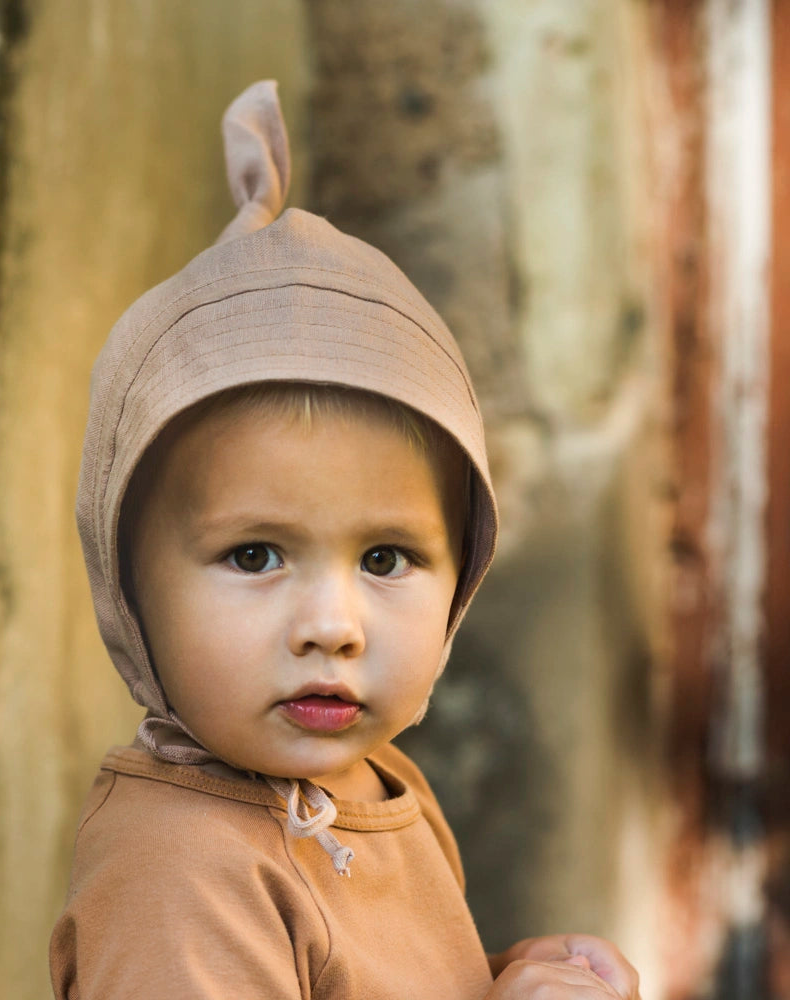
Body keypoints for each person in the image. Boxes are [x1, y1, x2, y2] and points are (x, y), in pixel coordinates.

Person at [50, 80, 641, 1000]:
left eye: (385, 559)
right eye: (254, 555)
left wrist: (516, 977)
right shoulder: (183, 873)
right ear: (129, 588)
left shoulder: (374, 781)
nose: (333, 624)